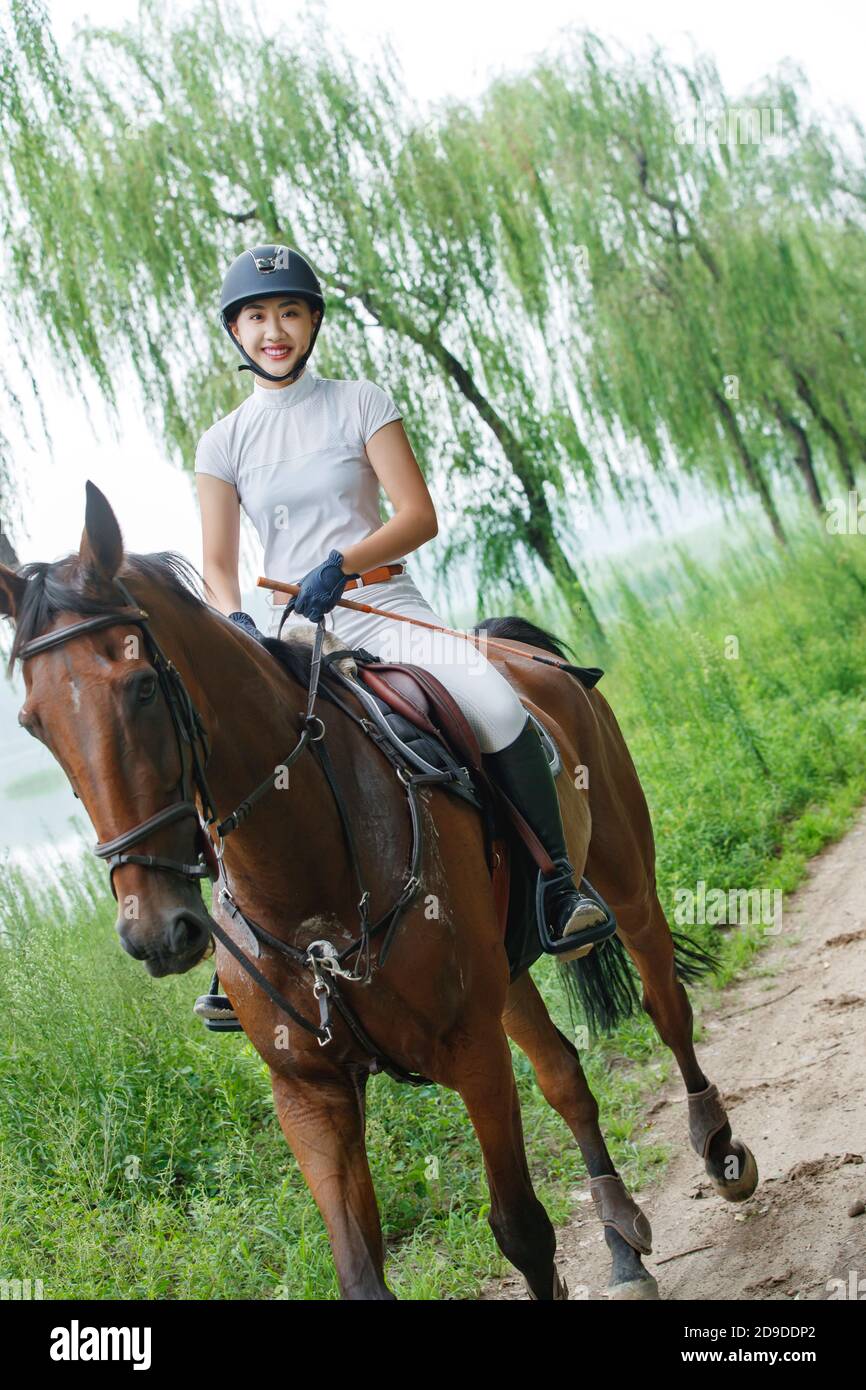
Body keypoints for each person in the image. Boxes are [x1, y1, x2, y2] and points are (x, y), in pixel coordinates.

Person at [193, 244, 608, 1025]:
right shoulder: (223, 441)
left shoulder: (360, 402)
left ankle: (558, 888)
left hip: (385, 605)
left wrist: (341, 564)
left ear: (313, 321)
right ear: (236, 332)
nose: (273, 330)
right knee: (234, 751)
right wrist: (237, 617)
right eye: (256, 317)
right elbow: (217, 565)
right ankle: (236, 949)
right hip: (292, 628)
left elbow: (418, 516)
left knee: (492, 701)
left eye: (289, 312)